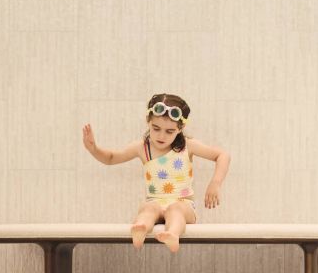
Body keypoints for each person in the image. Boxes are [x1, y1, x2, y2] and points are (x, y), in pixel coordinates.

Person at [81, 92, 231, 253]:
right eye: (156, 128)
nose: (161, 136)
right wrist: (94, 149)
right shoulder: (142, 148)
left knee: (175, 209)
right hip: (156, 200)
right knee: (148, 208)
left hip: (184, 204)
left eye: (169, 131)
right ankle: (141, 228)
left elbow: (222, 155)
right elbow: (111, 158)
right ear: (148, 122)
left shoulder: (188, 146)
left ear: (180, 128)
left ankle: (172, 234)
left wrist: (215, 183)